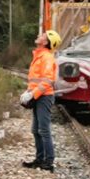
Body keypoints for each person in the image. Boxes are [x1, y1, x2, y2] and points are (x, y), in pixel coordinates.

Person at [23, 29, 62, 171]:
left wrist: (32, 94)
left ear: (46, 42)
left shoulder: (46, 57)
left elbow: (47, 81)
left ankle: (49, 161)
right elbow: (36, 79)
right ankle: (39, 159)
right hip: (38, 95)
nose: (39, 36)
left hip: (44, 96)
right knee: (35, 130)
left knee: (43, 130)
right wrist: (28, 91)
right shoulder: (39, 55)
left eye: (42, 36)